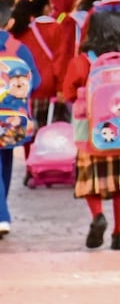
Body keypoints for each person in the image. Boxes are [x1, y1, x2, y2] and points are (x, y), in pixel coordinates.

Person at [63, 11, 120, 250]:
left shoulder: (82, 62)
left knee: (90, 180)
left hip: (91, 134)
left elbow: (69, 92)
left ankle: (97, 215)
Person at [9, 0, 71, 163]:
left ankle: (32, 164)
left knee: (32, 130)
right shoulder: (55, 28)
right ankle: (52, 164)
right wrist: (61, 87)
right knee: (51, 129)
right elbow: (60, 60)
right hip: (50, 86)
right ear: (45, 8)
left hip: (29, 87)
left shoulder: (23, 30)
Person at [0, 27, 41, 237]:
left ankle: (1, 215)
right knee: (5, 160)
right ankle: (2, 210)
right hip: (11, 120)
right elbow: (36, 82)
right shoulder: (19, 48)